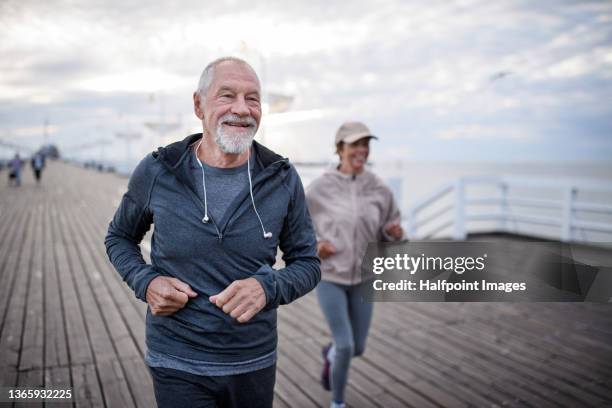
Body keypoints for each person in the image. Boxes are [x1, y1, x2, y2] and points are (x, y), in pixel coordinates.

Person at [104, 57, 320, 408]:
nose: (242, 109)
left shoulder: (281, 177)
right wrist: (147, 282)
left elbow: (308, 263)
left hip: (254, 361)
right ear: (198, 105)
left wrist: (269, 287)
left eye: (252, 98)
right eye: (227, 95)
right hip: (177, 359)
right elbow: (119, 237)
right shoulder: (159, 170)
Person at [306, 122, 403, 408]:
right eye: (354, 145)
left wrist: (393, 234)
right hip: (331, 277)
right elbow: (297, 227)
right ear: (339, 149)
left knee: (357, 347)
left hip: (364, 277)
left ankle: (331, 355)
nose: (361, 150)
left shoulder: (379, 188)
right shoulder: (319, 188)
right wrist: (316, 246)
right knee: (346, 344)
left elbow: (390, 228)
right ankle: (337, 403)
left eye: (365, 144)